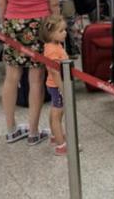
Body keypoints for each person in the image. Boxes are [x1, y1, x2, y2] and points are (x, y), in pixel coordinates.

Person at [0, 0, 59, 145]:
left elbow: (1, 2)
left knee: (11, 77)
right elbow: (53, 4)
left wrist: (4, 26)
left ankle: (11, 128)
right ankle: (33, 132)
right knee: (36, 79)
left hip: (13, 23)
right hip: (39, 25)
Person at [41, 15, 70, 156]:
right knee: (58, 114)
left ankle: (55, 136)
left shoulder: (54, 45)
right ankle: (61, 145)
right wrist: (63, 89)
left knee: (54, 111)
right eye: (61, 30)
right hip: (57, 86)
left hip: (53, 86)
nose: (65, 32)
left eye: (65, 29)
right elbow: (55, 72)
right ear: (50, 34)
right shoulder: (53, 50)